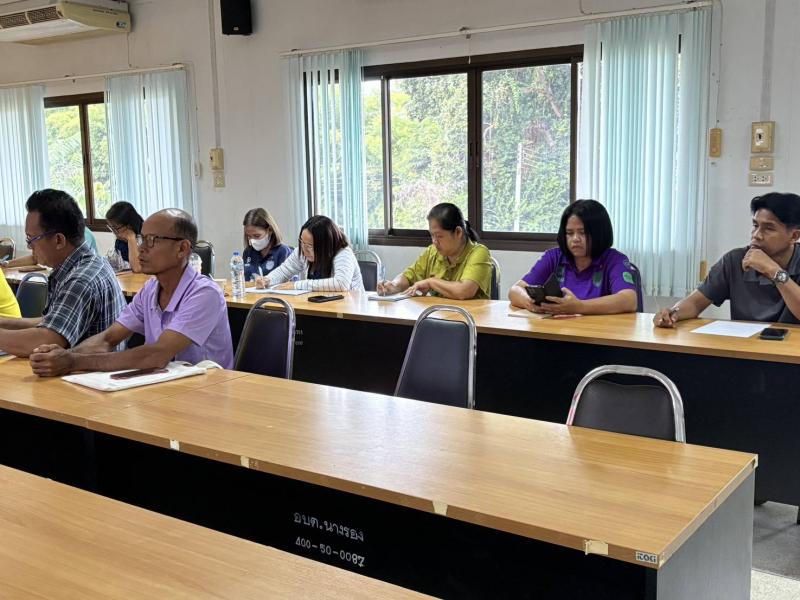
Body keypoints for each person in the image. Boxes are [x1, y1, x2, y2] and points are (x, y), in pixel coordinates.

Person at [29, 208, 234, 376]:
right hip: (163, 388)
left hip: (204, 395)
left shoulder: (205, 294)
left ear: (182, 248)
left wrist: (73, 361)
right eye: (142, 239)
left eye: (152, 240)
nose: (142, 248)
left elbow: (157, 354)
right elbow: (108, 339)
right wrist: (61, 357)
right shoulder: (150, 290)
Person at [0, 189, 125, 357]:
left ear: (58, 240)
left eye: (31, 240)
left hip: (88, 371)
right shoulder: (87, 263)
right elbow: (52, 322)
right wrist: (4, 322)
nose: (29, 247)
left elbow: (45, 340)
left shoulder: (81, 279)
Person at [655, 192, 800, 327]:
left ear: (794, 236)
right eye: (755, 225)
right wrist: (673, 313)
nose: (756, 234)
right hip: (746, 343)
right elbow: (695, 303)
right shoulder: (734, 260)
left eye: (768, 228)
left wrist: (773, 270)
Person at [508, 200, 638, 315]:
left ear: (599, 233)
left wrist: (579, 307)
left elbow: (629, 300)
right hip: (557, 331)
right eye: (569, 233)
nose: (575, 239)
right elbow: (515, 291)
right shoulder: (554, 257)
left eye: (583, 232)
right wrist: (529, 302)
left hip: (598, 332)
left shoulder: (614, 260)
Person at [377, 203, 492, 300]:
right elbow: (409, 276)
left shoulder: (479, 253)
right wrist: (393, 286)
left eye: (439, 236)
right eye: (432, 235)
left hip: (470, 317)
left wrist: (431, 282)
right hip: (439, 315)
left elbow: (464, 291)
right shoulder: (432, 251)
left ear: (458, 232)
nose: (434, 241)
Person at [259, 215, 364, 292]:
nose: (304, 249)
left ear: (325, 246)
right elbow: (284, 271)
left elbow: (341, 284)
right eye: (302, 242)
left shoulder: (343, 253)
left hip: (348, 310)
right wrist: (268, 280)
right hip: (317, 306)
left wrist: (296, 285)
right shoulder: (302, 250)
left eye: (309, 246)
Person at [242, 208, 291, 283]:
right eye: (249, 236)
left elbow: (289, 284)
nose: (253, 240)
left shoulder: (283, 252)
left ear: (270, 230)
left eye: (257, 236)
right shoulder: (248, 252)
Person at [105, 201, 144, 272]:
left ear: (129, 226)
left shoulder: (145, 241)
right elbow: (106, 265)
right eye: (111, 228)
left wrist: (131, 238)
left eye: (115, 228)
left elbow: (137, 268)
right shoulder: (119, 244)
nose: (115, 232)